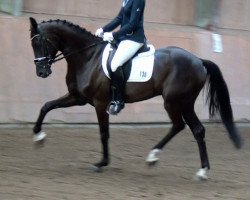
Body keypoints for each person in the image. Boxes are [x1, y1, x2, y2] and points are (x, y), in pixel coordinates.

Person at [95, 0, 146, 115]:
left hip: (134, 39)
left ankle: (119, 101)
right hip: (124, 38)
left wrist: (114, 34)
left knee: (115, 64)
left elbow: (132, 24)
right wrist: (103, 29)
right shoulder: (126, 0)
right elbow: (119, 18)